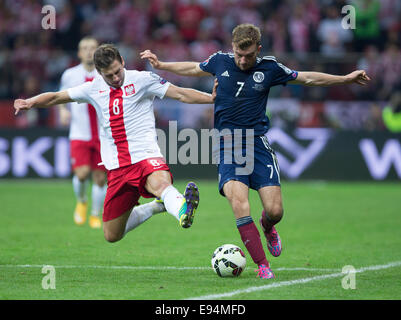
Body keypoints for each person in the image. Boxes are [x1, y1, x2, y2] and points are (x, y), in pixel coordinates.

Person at [140, 23, 371, 279]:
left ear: (258, 50)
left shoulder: (270, 67)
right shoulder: (220, 61)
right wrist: (162, 65)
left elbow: (307, 78)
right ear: (233, 48)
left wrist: (345, 78)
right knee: (240, 204)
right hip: (228, 144)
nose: (242, 60)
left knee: (275, 211)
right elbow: (194, 68)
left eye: (248, 56)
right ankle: (263, 266)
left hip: (257, 143)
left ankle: (268, 226)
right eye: (238, 54)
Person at [14, 43, 217, 243]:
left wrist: (212, 99)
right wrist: (30, 102)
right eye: (109, 75)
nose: (116, 78)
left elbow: (181, 93)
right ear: (100, 73)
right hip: (116, 167)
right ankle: (158, 206)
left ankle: (181, 207)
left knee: (160, 183)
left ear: (122, 61)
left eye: (117, 71)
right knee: (112, 235)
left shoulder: (142, 79)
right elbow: (57, 97)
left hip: (145, 155)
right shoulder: (93, 88)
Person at [58, 36, 107, 229]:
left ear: (98, 51)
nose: (88, 51)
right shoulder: (69, 74)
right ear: (79, 53)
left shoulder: (105, 73)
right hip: (79, 132)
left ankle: (95, 214)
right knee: (81, 174)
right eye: (84, 48)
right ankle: (81, 200)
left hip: (103, 135)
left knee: (100, 178)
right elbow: (61, 96)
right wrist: (63, 111)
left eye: (92, 48)